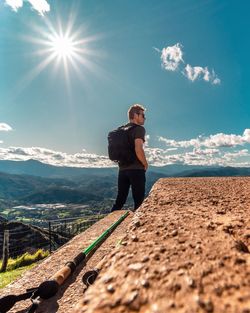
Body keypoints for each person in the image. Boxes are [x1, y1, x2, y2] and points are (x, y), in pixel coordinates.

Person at [111, 104, 148, 212]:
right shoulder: (139, 129)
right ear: (135, 115)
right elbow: (138, 149)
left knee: (120, 200)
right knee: (139, 201)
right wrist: (145, 163)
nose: (144, 118)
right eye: (143, 115)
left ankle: (105, 224)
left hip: (122, 169)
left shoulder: (121, 130)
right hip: (136, 169)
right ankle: (137, 227)